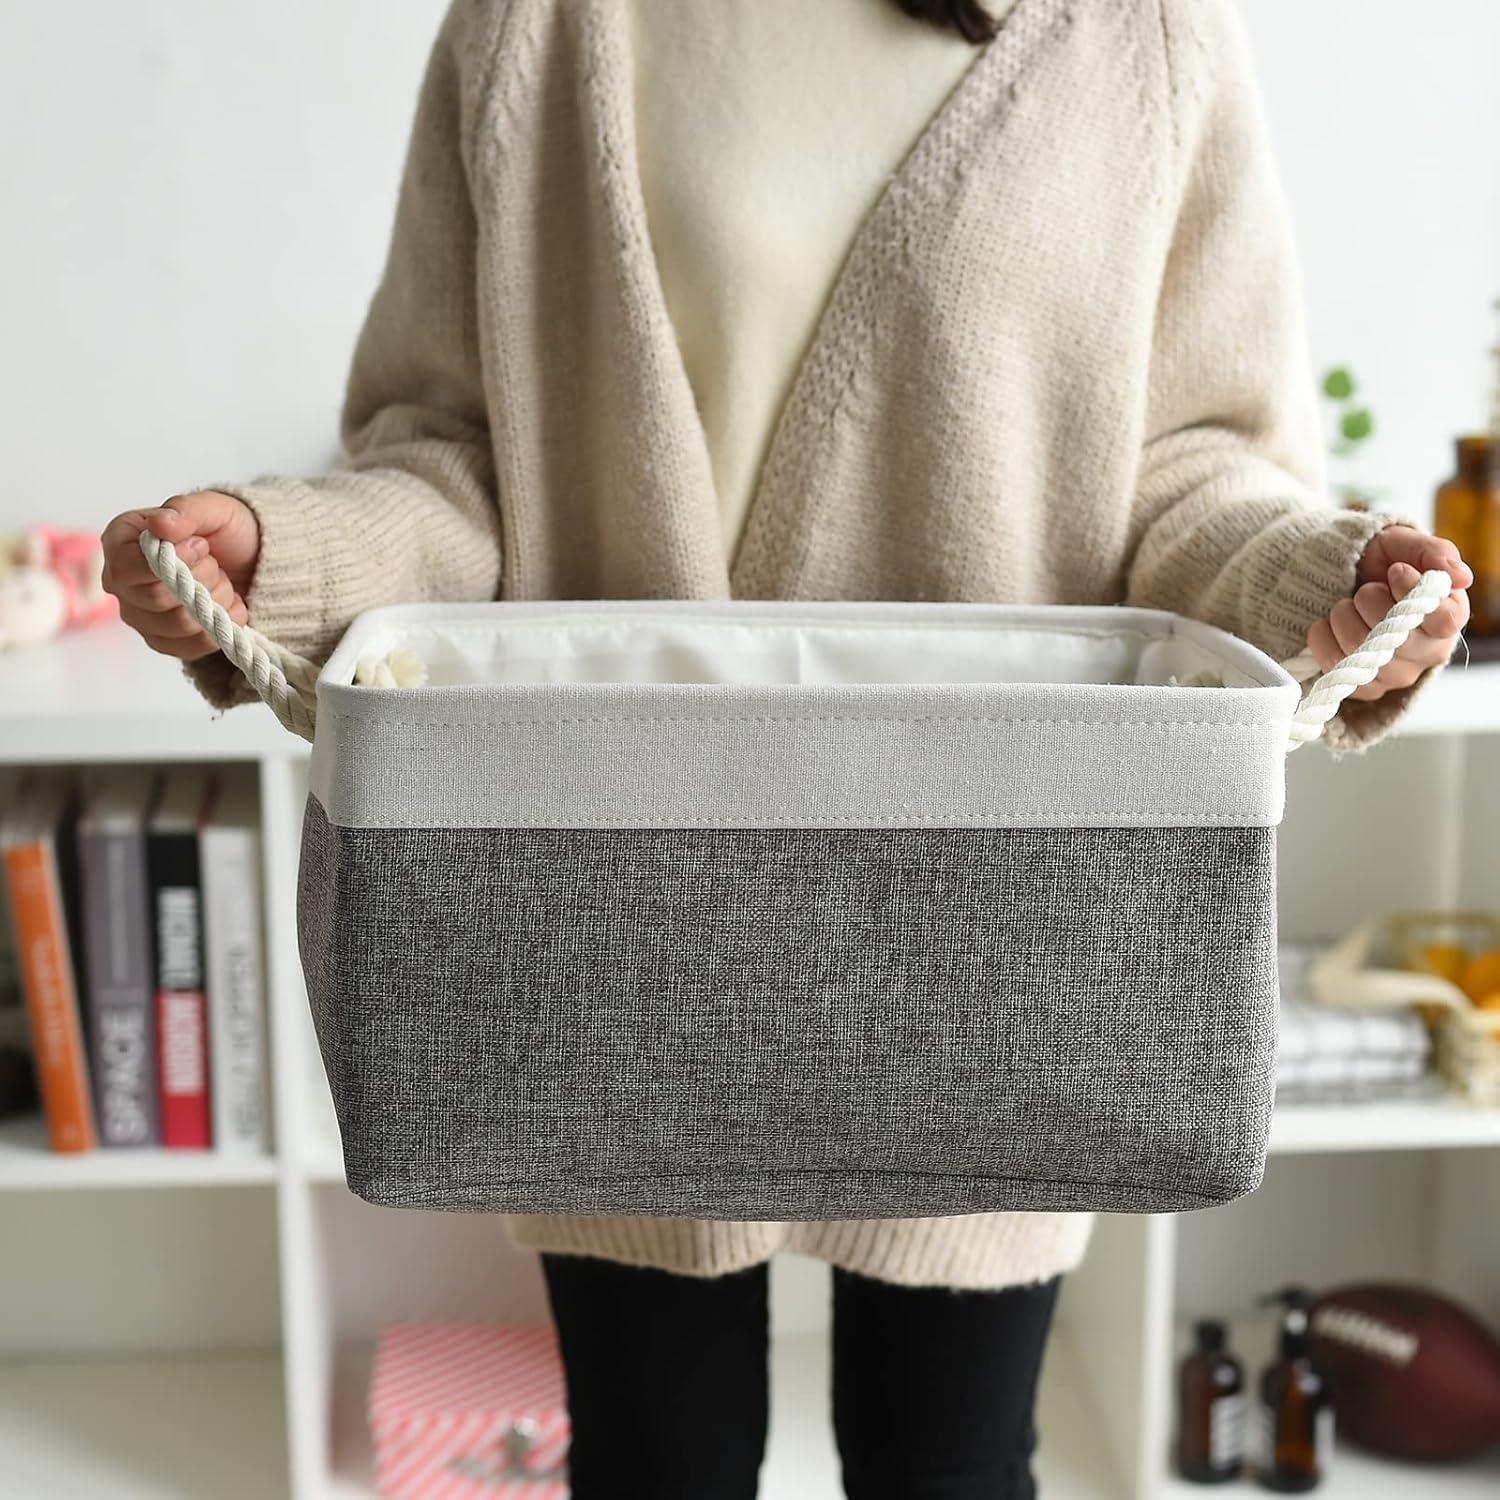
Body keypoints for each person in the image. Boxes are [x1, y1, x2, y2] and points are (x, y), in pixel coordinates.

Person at [101, 1, 1471, 1495]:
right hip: (613, 910)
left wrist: (1314, 584)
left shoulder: (1138, 38)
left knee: (945, 1465)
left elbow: (1193, 471)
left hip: (1008, 915)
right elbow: (447, 459)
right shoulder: (537, 29)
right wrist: (279, 554)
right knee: (654, 1462)